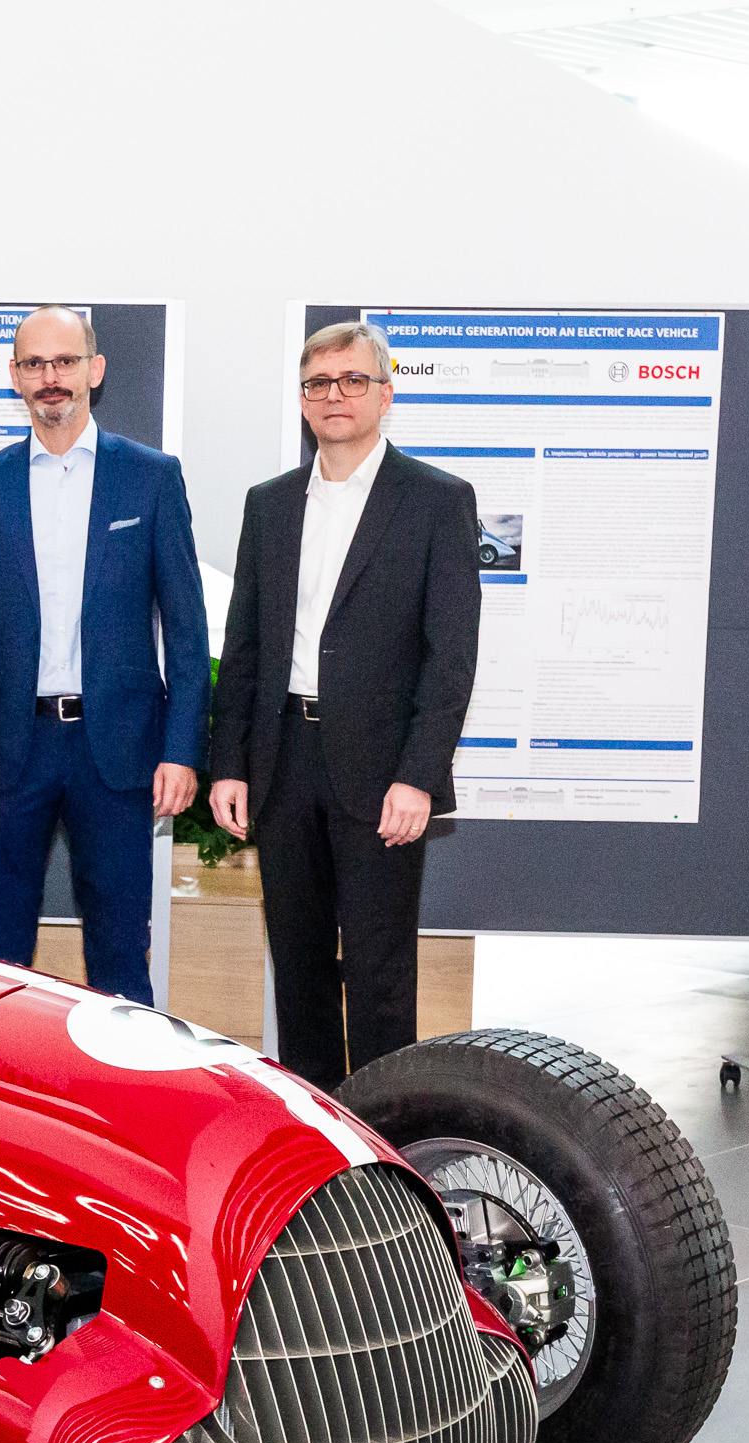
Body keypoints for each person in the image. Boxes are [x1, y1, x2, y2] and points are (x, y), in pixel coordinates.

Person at [209, 319, 481, 1090]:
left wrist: (419, 776)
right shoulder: (270, 505)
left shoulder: (436, 501)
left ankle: (387, 1136)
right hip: (284, 763)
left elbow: (451, 657)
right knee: (298, 970)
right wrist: (229, 763)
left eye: (354, 380)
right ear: (303, 400)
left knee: (379, 975)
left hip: (383, 772)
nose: (336, 395)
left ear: (385, 395)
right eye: (320, 383)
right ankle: (317, 1129)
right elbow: (246, 645)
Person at [0, 306, 207, 1005]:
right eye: (35, 364)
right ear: (16, 376)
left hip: (118, 753)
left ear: (94, 370)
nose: (51, 377)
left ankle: (127, 1078)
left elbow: (188, 631)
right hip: (8, 752)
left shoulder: (151, 478)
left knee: (120, 954)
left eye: (65, 361)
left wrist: (181, 751)